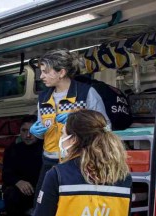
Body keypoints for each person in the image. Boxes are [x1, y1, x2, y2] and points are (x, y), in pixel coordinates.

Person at [31, 50, 110, 197]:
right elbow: (42, 131)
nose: (41, 76)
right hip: (49, 160)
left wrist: (79, 119)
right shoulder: (43, 98)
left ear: (61, 72)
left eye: (46, 72)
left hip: (78, 161)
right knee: (41, 205)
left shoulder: (86, 93)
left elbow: (106, 127)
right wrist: (37, 132)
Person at [2, 118, 43, 216]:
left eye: (32, 131)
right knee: (11, 197)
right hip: (21, 192)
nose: (28, 135)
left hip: (42, 191)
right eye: (24, 131)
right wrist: (18, 182)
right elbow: (6, 174)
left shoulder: (46, 150)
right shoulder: (13, 150)